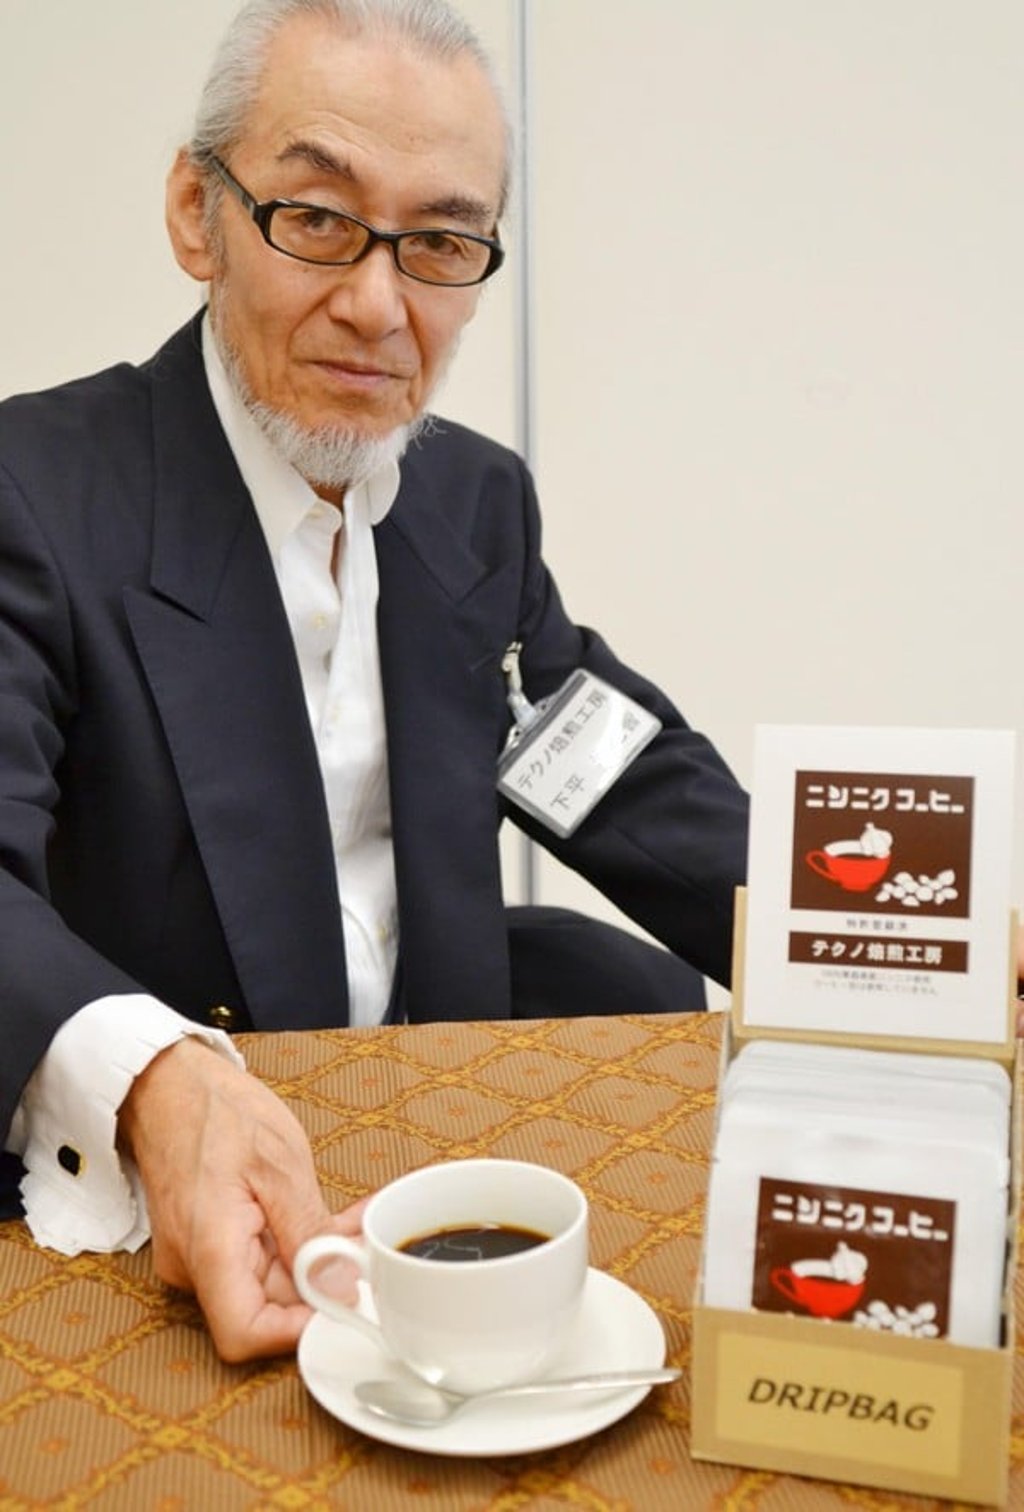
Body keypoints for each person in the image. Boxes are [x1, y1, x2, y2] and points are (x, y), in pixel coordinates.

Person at [0, 0, 749, 1361]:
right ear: (196, 213)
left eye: (442, 243)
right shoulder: (35, 494)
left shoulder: (472, 502)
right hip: (162, 1173)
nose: (379, 303)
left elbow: (601, 762)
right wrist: (154, 1078)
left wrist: (896, 959)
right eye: (320, 219)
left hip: (430, 1123)